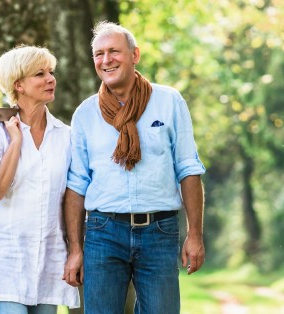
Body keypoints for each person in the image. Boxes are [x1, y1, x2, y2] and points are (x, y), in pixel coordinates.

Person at [63, 21, 206, 314]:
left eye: (114, 51)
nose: (106, 60)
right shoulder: (85, 114)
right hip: (103, 231)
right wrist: (75, 249)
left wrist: (195, 235)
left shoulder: (169, 102)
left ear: (135, 55)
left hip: (160, 230)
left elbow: (188, 169)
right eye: (99, 54)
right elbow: (77, 184)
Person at [0, 45, 79, 314]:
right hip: (8, 259)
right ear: (18, 84)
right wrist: (16, 142)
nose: (51, 78)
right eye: (40, 73)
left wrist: (75, 250)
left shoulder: (65, 136)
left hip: (50, 259)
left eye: (51, 72)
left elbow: (72, 197)